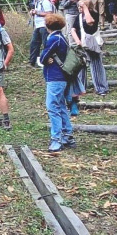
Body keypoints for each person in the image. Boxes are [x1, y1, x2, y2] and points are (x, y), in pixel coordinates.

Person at [40, 14, 75, 152]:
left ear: (48, 26)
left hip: (55, 78)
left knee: (52, 106)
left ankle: (57, 139)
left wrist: (45, 58)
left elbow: (43, 56)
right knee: (60, 106)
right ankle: (68, 135)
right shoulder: (62, 37)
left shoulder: (54, 38)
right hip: (61, 78)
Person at [71, 0, 110, 96]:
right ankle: (80, 88)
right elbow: (73, 29)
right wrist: (77, 41)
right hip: (82, 44)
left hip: (92, 44)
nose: (79, 8)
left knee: (96, 65)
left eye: (81, 6)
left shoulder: (94, 14)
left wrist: (85, 8)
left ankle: (101, 88)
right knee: (81, 66)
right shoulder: (78, 16)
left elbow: (90, 21)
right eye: (79, 6)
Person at [27, 0, 55, 68]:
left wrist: (37, 12)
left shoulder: (45, 1)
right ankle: (33, 62)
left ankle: (48, 60)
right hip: (38, 26)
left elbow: (49, 13)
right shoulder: (37, 2)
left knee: (46, 44)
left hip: (44, 25)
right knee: (34, 43)